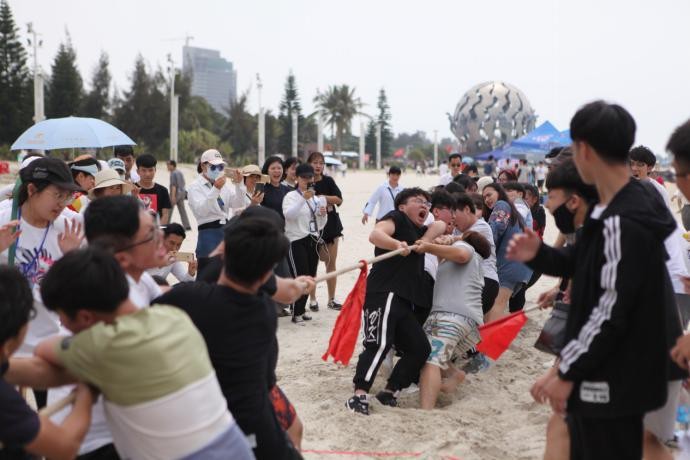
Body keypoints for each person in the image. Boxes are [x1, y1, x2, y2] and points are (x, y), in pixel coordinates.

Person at [509, 100, 675, 459]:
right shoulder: (616, 205)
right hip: (624, 361)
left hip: (618, 365)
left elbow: (611, 308)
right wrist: (540, 255)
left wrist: (566, 371)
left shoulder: (621, 218)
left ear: (584, 150)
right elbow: (585, 261)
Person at [26, 247, 254, 459]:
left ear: (85, 317)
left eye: (61, 318)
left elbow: (42, 349)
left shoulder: (103, 344)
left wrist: (86, 388)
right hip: (235, 448)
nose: (62, 325)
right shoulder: (174, 317)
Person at [155, 217, 306, 459]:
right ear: (267, 274)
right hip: (256, 424)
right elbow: (284, 291)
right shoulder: (265, 311)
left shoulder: (189, 298)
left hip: (208, 423)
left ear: (223, 252)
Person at [346, 188, 445, 415]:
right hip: (385, 292)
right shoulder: (397, 218)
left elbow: (439, 225)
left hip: (405, 300)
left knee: (419, 348)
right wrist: (396, 245)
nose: (424, 205)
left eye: (427, 203)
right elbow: (376, 234)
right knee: (378, 343)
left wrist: (425, 240)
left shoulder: (421, 231)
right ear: (402, 206)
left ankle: (390, 391)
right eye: (418, 201)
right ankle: (359, 394)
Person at [0, 265, 95, 460]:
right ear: (8, 344)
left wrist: (92, 371)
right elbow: (65, 446)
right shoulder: (5, 402)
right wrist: (87, 394)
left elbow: (33, 370)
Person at [0, 158, 84, 356]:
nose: (62, 204)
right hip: (5, 341)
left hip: (48, 341)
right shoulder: (4, 221)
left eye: (68, 196)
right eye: (57, 195)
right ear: (31, 190)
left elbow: (77, 294)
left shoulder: (69, 229)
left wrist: (71, 259)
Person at [416, 229, 491, 409]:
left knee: (431, 361)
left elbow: (461, 254)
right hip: (457, 318)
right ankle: (454, 374)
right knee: (427, 353)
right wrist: (439, 244)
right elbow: (447, 257)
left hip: (453, 316)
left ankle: (426, 411)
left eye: (459, 236)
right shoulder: (464, 262)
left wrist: (428, 246)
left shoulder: (467, 249)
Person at [84, 195, 167, 309]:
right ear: (122, 259)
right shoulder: (121, 304)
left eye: (156, 227)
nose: (161, 235)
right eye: (151, 233)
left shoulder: (137, 276)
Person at [283, 163, 327, 323]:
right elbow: (289, 215)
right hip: (296, 239)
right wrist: (303, 199)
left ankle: (301, 310)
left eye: (310, 177)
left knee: (311, 277)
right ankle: (296, 311)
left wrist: (322, 214)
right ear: (297, 178)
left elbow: (320, 224)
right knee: (300, 276)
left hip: (312, 239)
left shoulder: (315, 198)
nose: (307, 180)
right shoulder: (290, 196)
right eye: (304, 177)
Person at [481, 182, 532, 323]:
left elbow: (495, 230)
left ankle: (488, 337)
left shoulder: (502, 204)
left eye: (489, 195)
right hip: (518, 264)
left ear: (499, 192)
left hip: (510, 264)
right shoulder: (510, 208)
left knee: (497, 304)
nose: (486, 199)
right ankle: (486, 335)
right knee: (496, 304)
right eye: (484, 197)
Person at [186, 149, 243, 260]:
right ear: (203, 166)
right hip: (208, 231)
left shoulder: (222, 185)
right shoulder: (194, 187)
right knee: (208, 267)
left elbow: (237, 204)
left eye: (220, 167)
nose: (217, 170)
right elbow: (201, 210)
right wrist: (216, 189)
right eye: (213, 167)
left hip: (225, 230)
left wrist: (239, 185)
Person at [307, 152, 344, 311]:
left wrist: (323, 197)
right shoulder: (305, 182)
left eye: (321, 163)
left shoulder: (328, 181)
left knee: (331, 263)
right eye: (315, 162)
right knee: (311, 266)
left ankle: (331, 299)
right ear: (309, 164)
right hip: (311, 227)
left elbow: (339, 199)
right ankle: (312, 299)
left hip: (331, 226)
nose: (318, 166)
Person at [134, 154, 171, 225]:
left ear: (155, 170)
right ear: (138, 171)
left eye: (151, 170)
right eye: (144, 170)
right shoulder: (132, 189)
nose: (147, 174)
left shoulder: (163, 191)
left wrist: (158, 230)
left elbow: (165, 215)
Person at [167, 160, 191, 231]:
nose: (167, 167)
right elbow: (183, 183)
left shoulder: (173, 173)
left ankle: (166, 225)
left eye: (168, 165)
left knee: (169, 210)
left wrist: (173, 197)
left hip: (175, 194)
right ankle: (187, 226)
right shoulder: (179, 172)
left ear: (172, 165)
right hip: (182, 193)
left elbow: (174, 186)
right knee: (182, 211)